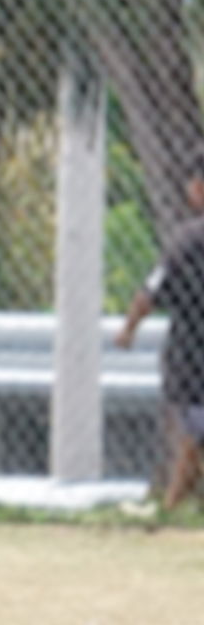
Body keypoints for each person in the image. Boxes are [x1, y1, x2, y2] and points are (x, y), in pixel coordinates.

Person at [115, 148, 204, 513]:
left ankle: (172, 504)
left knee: (192, 430)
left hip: (191, 353)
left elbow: (152, 291)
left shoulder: (187, 241)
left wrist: (128, 329)